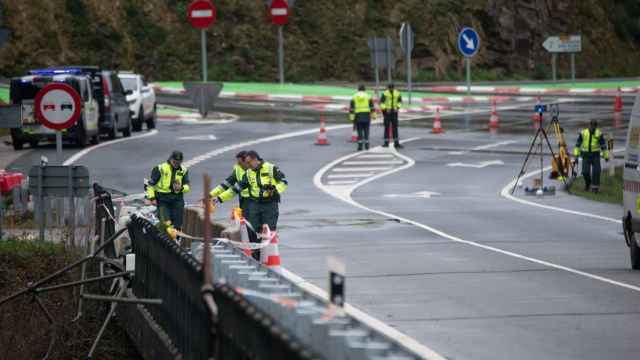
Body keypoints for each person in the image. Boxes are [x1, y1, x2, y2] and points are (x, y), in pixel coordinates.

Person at [213, 151, 288, 257]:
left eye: (249, 163)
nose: (247, 166)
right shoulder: (248, 173)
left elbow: (284, 182)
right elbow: (235, 189)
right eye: (246, 163)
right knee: (253, 230)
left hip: (270, 204)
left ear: (255, 159)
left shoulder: (271, 168)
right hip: (255, 204)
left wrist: (275, 189)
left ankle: (270, 256)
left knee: (269, 230)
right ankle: (256, 255)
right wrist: (219, 198)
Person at [146, 151, 190, 229]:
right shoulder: (160, 168)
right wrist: (152, 198)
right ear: (170, 159)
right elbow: (150, 185)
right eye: (174, 162)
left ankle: (176, 239)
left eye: (178, 162)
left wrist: (181, 188)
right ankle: (164, 238)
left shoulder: (183, 170)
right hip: (163, 199)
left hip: (177, 199)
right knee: (165, 223)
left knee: (177, 225)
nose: (176, 164)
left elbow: (187, 186)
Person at [210, 151, 251, 218]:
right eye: (238, 163)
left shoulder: (254, 172)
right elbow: (226, 184)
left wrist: (218, 198)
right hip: (244, 200)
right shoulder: (238, 169)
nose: (238, 165)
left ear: (247, 161)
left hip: (255, 200)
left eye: (240, 163)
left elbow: (235, 190)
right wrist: (211, 195)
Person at [573, 120, 609, 193]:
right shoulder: (583, 133)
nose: (592, 128)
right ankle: (588, 184)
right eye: (591, 126)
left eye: (594, 126)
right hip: (585, 155)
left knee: (596, 171)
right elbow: (577, 145)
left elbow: (603, 146)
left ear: (596, 126)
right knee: (585, 172)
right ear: (589, 125)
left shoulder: (599, 134)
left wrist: (606, 156)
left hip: (595, 155)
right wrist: (576, 156)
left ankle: (595, 188)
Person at [349, 85, 376, 151]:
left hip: (358, 115)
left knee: (359, 130)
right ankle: (367, 145)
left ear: (358, 89)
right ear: (364, 89)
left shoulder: (354, 96)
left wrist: (352, 117)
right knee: (366, 130)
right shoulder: (368, 96)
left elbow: (352, 108)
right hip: (366, 115)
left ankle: (360, 146)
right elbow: (372, 107)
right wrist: (374, 116)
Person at [380, 83, 403, 148]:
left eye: (392, 88)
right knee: (386, 127)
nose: (391, 89)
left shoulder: (397, 93)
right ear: (388, 88)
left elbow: (400, 102)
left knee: (395, 127)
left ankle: (396, 143)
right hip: (387, 113)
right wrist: (385, 109)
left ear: (394, 87)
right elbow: (382, 103)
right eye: (390, 88)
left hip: (394, 112)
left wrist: (397, 108)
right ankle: (386, 143)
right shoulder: (385, 93)